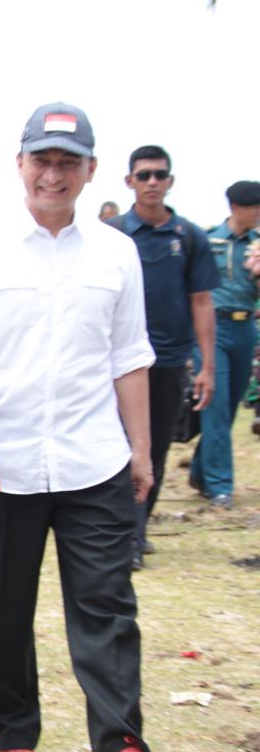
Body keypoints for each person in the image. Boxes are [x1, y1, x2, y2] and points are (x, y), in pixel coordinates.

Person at [0, 101, 180, 752]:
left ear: (91, 171)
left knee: (106, 605)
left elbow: (129, 357)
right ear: (19, 165)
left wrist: (140, 452)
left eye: (67, 163)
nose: (53, 174)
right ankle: (9, 733)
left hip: (92, 459)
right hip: (1, 461)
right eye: (41, 160)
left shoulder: (116, 252)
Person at [110, 146, 217, 566]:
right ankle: (122, 533)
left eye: (159, 175)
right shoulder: (114, 235)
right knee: (115, 446)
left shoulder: (188, 238)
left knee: (152, 449)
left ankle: (137, 531)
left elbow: (203, 302)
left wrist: (206, 365)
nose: (152, 182)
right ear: (129, 181)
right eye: (144, 175)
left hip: (168, 360)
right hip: (115, 362)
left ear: (170, 181)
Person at [190, 180, 260, 509]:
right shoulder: (207, 241)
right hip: (212, 328)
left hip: (246, 328)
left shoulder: (258, 244)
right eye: (254, 206)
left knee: (230, 407)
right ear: (235, 208)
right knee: (215, 403)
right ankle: (220, 486)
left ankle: (201, 471)